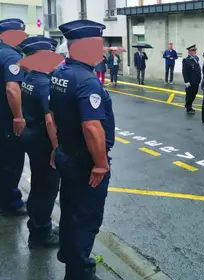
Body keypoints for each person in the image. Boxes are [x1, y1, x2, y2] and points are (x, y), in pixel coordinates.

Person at [50, 19, 115, 279]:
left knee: (69, 211)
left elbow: (53, 114)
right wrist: (100, 163)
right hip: (84, 161)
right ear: (82, 47)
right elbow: (91, 127)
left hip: (67, 153)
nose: (101, 51)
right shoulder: (88, 81)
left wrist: (57, 147)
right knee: (85, 218)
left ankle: (69, 259)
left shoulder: (60, 73)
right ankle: (78, 272)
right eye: (97, 45)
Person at [18, 36, 60, 248]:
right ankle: (41, 233)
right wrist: (56, 148)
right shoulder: (44, 84)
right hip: (43, 142)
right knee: (47, 187)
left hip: (31, 136)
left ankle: (38, 225)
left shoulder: (29, 78)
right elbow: (50, 120)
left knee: (38, 185)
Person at [0, 18, 28, 216]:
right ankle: (11, 202)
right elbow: (12, 89)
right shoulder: (11, 57)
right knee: (12, 160)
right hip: (6, 119)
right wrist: (18, 117)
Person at [182, 44, 201, 115]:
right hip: (190, 81)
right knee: (189, 94)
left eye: (195, 50)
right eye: (193, 50)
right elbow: (184, 72)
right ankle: (188, 108)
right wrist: (186, 81)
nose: (195, 52)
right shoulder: (186, 60)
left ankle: (189, 105)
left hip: (196, 80)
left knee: (194, 94)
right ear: (189, 52)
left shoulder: (196, 59)